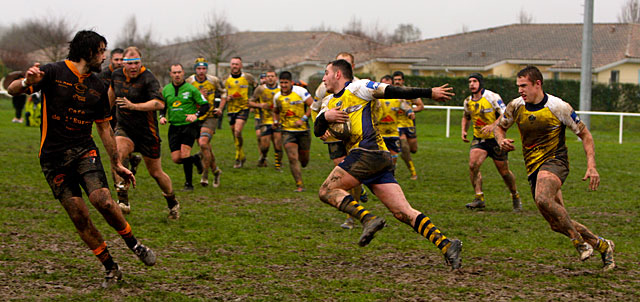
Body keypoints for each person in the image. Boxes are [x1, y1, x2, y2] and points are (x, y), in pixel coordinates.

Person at [7, 30, 156, 288]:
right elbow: (11, 90)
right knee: (79, 215)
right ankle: (110, 266)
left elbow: (104, 128)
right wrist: (24, 82)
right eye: (102, 50)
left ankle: (135, 245)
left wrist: (116, 163)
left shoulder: (99, 85)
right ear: (88, 52)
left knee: (104, 201)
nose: (105, 56)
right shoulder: (52, 71)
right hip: (52, 158)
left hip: (83, 151)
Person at [314, 59, 462, 270]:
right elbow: (318, 130)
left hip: (367, 152)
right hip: (377, 158)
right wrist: (326, 117)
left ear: (338, 74)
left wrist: (430, 92)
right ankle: (447, 245)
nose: (323, 77)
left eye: (326, 73)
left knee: (327, 190)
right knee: (403, 212)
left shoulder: (359, 88)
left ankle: (367, 219)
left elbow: (393, 90)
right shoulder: (328, 102)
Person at [495, 65, 614, 271]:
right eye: (518, 86)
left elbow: (585, 135)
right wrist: (501, 140)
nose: (520, 90)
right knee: (557, 222)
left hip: (555, 161)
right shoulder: (515, 106)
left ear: (537, 84)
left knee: (542, 197)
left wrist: (592, 166)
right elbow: (499, 126)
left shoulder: (558, 106)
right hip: (532, 167)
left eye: (524, 86)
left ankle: (579, 242)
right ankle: (602, 245)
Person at [109, 46, 179, 219]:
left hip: (147, 133)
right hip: (125, 129)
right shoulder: (116, 76)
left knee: (156, 173)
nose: (133, 67)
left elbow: (159, 104)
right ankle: (123, 199)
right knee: (116, 155)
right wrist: (101, 113)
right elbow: (111, 93)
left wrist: (134, 106)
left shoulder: (148, 78)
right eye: (130, 63)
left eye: (137, 63)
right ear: (123, 63)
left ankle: (172, 202)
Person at [313, 52, 369, 230]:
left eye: (345, 63)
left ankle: (350, 217)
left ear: (351, 67)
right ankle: (354, 211)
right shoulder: (324, 87)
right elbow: (315, 109)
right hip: (334, 137)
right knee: (343, 169)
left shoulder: (360, 86)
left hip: (354, 138)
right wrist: (322, 127)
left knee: (352, 176)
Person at [461, 73, 522, 211]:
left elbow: (505, 113)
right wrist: (464, 130)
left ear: (480, 83)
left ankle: (515, 195)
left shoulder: (492, 97)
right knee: (473, 165)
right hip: (479, 139)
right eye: (470, 81)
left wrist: (494, 125)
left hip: (496, 140)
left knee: (504, 172)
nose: (471, 84)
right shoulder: (467, 101)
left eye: (474, 81)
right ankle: (479, 197)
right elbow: (466, 116)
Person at [160, 64, 209, 194]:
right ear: (170, 74)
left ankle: (189, 183)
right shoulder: (166, 90)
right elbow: (163, 105)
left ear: (183, 73)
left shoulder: (191, 89)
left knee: (185, 153)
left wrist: (195, 115)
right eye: (174, 72)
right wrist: (162, 116)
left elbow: (205, 105)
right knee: (177, 158)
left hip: (189, 125)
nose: (177, 75)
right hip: (174, 126)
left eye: (179, 72)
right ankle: (195, 159)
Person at [99, 48, 143, 176]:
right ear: (111, 60)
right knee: (115, 147)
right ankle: (129, 163)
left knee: (120, 144)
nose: (119, 62)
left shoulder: (130, 73)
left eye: (121, 60)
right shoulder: (104, 75)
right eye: (116, 59)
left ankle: (124, 172)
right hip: (108, 115)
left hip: (124, 114)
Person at [186, 57, 223, 187]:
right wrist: (198, 95)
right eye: (198, 68)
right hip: (197, 117)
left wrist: (220, 108)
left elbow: (224, 93)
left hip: (210, 117)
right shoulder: (189, 82)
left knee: (203, 143)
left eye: (203, 68)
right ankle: (216, 171)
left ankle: (205, 175)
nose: (201, 71)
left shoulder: (214, 80)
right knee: (205, 147)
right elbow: (186, 98)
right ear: (195, 69)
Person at [273, 71, 313, 192]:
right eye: (281, 83)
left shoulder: (300, 92)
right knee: (292, 157)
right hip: (287, 131)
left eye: (286, 83)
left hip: (303, 130)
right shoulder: (277, 97)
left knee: (304, 160)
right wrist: (275, 121)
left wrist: (303, 119)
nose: (284, 85)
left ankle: (303, 164)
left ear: (291, 82)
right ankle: (299, 184)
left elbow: (313, 106)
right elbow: (275, 111)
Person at [219, 57, 257, 168]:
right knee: (234, 135)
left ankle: (237, 158)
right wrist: (227, 98)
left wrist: (252, 100)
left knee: (237, 131)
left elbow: (256, 87)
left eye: (237, 64)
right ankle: (241, 155)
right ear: (230, 65)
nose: (235, 66)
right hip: (231, 109)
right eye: (233, 64)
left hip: (243, 108)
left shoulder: (247, 77)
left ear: (241, 66)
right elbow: (222, 93)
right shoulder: (225, 79)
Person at [377, 75, 414, 166]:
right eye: (383, 85)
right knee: (379, 155)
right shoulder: (376, 98)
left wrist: (410, 112)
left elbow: (405, 106)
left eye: (388, 85)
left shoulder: (398, 99)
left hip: (393, 131)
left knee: (394, 154)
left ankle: (391, 172)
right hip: (378, 132)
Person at [249, 70, 283, 170]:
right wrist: (260, 105)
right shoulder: (260, 89)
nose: (270, 78)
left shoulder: (281, 89)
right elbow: (250, 102)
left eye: (272, 76)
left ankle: (278, 164)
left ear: (276, 78)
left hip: (278, 120)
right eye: (268, 76)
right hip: (264, 120)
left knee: (278, 144)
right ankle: (263, 156)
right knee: (265, 145)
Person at [393, 71, 424, 180]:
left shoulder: (409, 92)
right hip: (397, 125)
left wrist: (411, 110)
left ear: (403, 81)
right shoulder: (390, 93)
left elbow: (421, 105)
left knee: (413, 149)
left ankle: (404, 154)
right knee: (404, 147)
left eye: (399, 80)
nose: (397, 82)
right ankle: (413, 172)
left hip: (409, 124)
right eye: (395, 80)